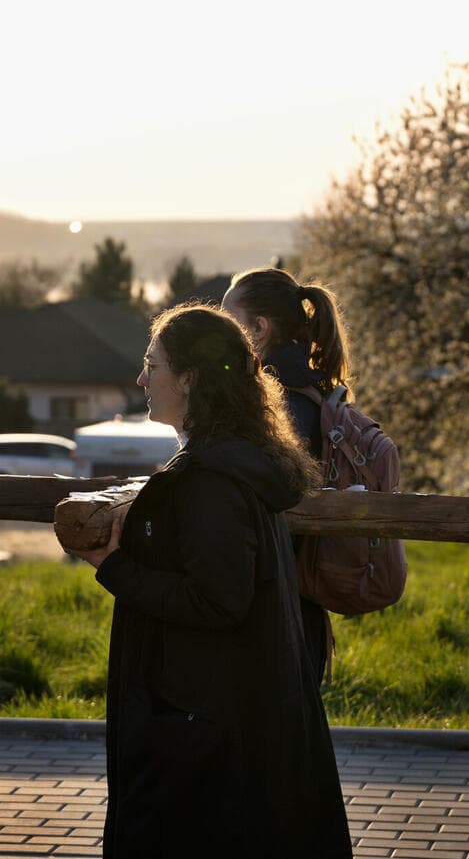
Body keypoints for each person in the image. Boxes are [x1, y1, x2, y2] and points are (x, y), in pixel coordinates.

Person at [66, 304, 352, 858]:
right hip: (227, 718)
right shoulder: (238, 463)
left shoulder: (212, 482)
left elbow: (218, 602)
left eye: (153, 363)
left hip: (204, 732)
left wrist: (114, 565)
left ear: (191, 379)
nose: (141, 378)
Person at [221, 266, 352, 681]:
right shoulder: (318, 388)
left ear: (258, 328)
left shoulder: (271, 400)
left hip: (270, 604)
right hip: (301, 599)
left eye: (229, 322)